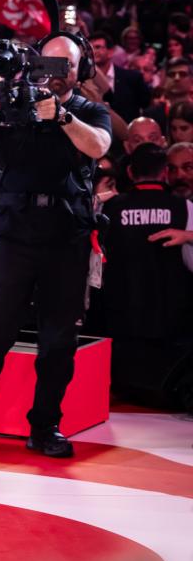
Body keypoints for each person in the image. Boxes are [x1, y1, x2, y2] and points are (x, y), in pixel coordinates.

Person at [0, 34, 113, 458]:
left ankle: (45, 426)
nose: (56, 73)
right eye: (48, 63)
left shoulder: (88, 110)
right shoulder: (13, 103)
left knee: (58, 340)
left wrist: (62, 117)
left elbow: (99, 146)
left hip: (66, 236)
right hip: (14, 233)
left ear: (81, 70)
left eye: (65, 65)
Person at [98, 144, 193, 406]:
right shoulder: (184, 207)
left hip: (122, 320)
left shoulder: (109, 207)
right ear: (165, 172)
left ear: (130, 172)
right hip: (170, 324)